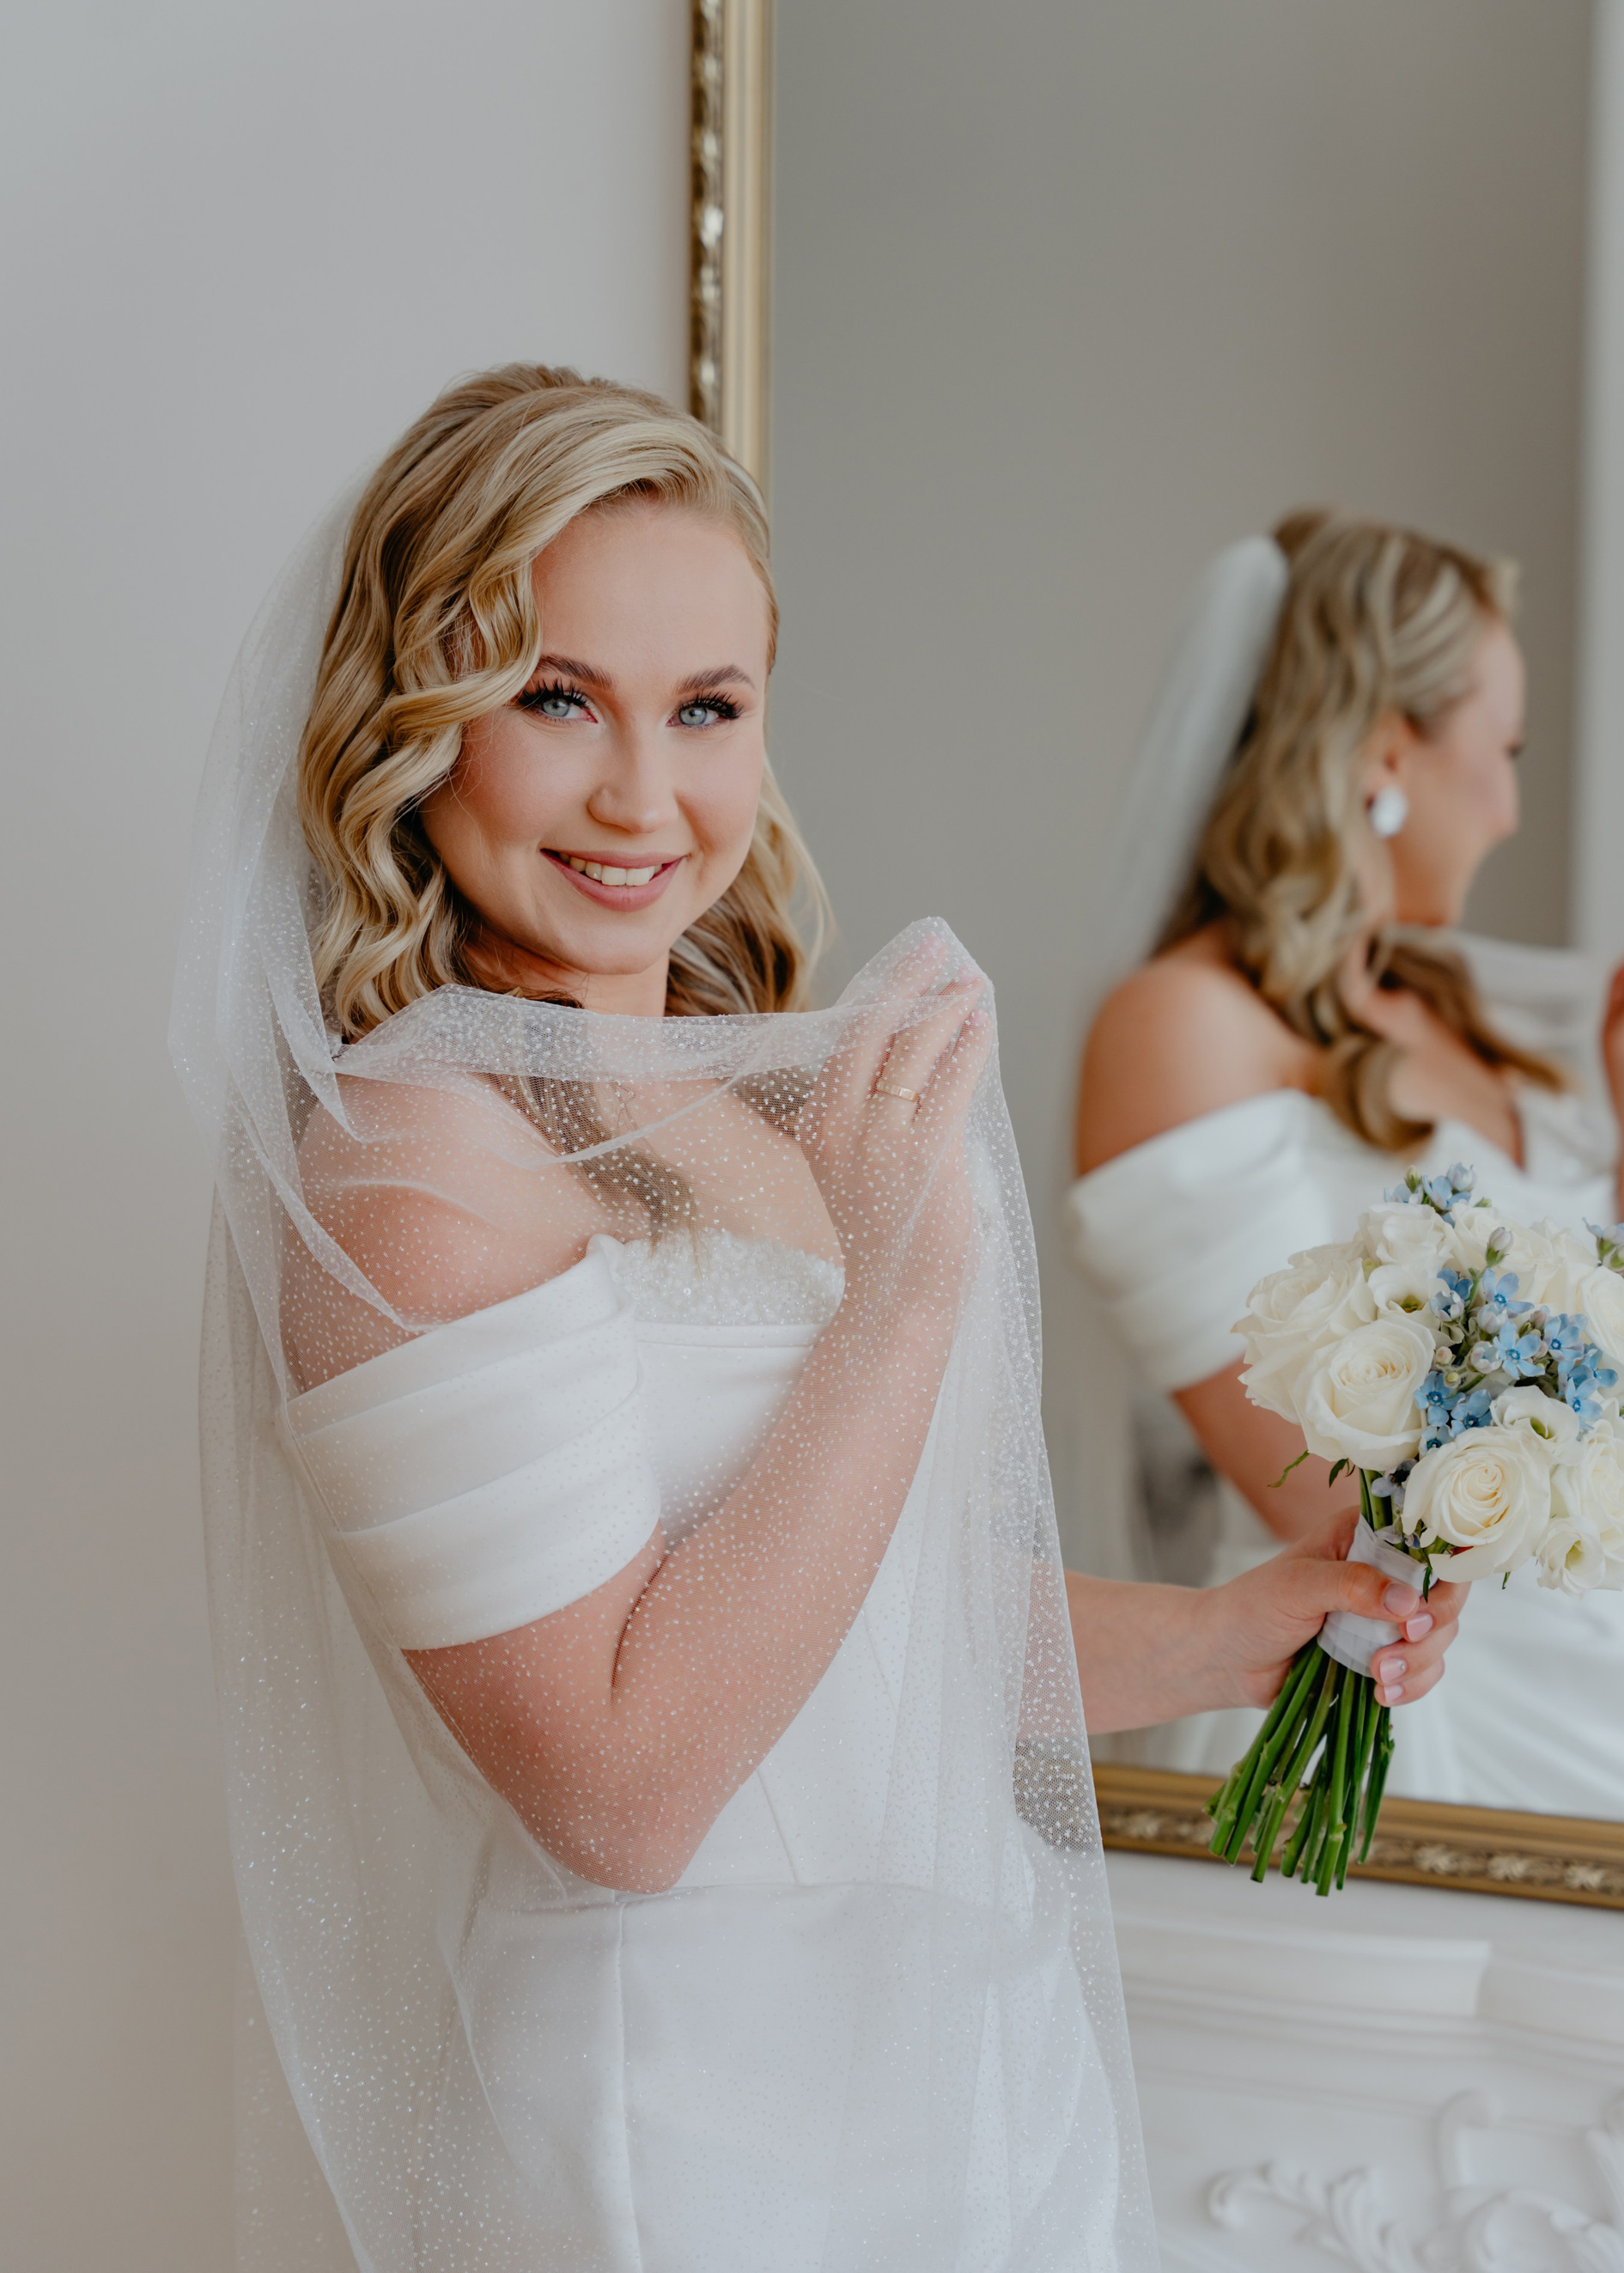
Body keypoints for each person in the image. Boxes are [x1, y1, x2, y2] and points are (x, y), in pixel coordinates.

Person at [172, 381, 1456, 2273]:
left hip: (959, 2068)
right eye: (557, 698)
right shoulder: (413, 1161)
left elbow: (873, 1628)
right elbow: (621, 1792)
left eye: (707, 707)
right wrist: (907, 1291)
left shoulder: (743, 1099)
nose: (643, 796)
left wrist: (1231, 1634)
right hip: (684, 2127)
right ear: (417, 721)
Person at [1069, 510, 1624, 1803]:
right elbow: (1309, 1489)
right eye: (1504, 751)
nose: (1512, 808)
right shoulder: (1184, 1027)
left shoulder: (1468, 1015)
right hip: (1394, 1707)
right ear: (1387, 750)